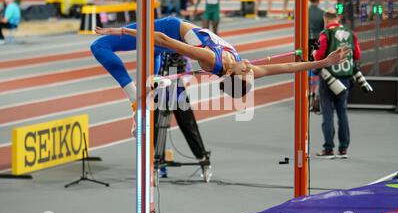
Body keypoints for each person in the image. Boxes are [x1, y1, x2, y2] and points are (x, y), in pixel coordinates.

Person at [90, 17, 348, 134]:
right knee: (150, 81)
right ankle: (140, 102)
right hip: (161, 43)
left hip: (166, 32)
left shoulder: (211, 60)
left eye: (245, 72)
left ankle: (136, 97)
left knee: (99, 46)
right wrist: (324, 61)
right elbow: (287, 68)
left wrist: (121, 30)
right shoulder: (243, 70)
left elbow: (165, 39)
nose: (249, 67)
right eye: (250, 73)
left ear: (233, 76)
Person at [313, 9, 361, 159]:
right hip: (345, 77)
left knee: (327, 112)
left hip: (328, 78)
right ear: (338, 18)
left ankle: (328, 148)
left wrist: (314, 54)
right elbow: (357, 54)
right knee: (342, 112)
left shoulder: (324, 34)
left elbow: (319, 55)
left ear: (325, 19)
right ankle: (343, 149)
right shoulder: (350, 33)